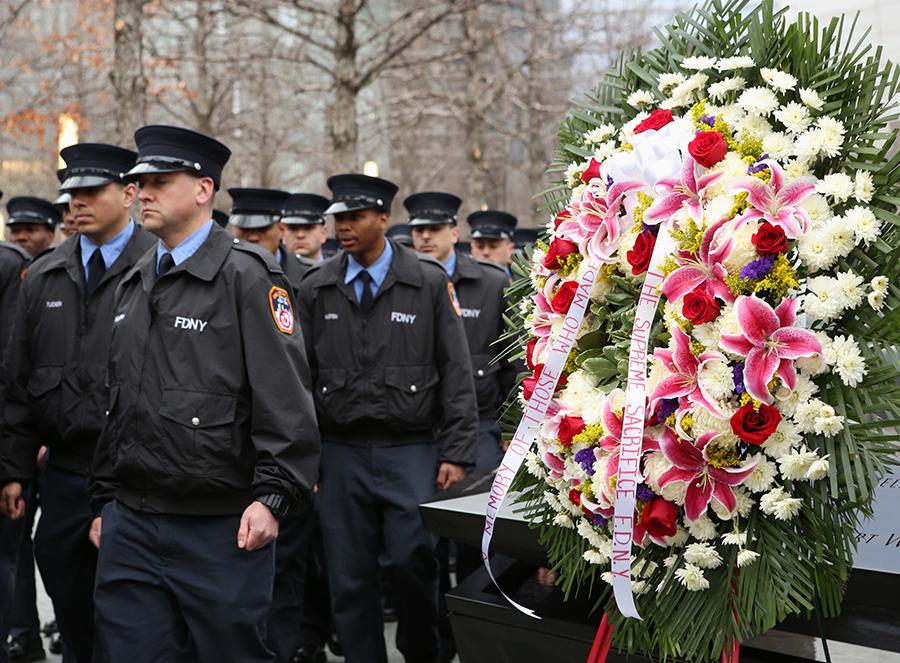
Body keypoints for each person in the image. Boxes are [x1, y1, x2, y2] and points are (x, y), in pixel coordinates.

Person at [88, 124, 320, 663]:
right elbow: (117, 401)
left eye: (159, 181)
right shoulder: (135, 280)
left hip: (220, 525)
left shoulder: (248, 275)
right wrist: (103, 501)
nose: (142, 192)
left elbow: (285, 400)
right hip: (133, 520)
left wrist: (273, 497)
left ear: (203, 189)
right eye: (138, 182)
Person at [297, 173, 477, 663]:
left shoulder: (426, 281)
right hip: (340, 452)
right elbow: (300, 381)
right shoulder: (317, 286)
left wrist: (457, 453)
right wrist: (307, 460)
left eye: (355, 217)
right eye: (339, 218)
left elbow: (456, 371)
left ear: (382, 218)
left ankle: (423, 654)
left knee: (413, 565)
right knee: (348, 574)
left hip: (410, 449)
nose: (344, 227)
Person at [0, 143, 155, 663]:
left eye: (92, 192)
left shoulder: (158, 267)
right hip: (65, 474)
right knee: (71, 610)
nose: (76, 204)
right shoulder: (45, 274)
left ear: (130, 194)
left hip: (140, 476)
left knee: (134, 618)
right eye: (71, 193)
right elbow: (18, 383)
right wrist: (14, 469)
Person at [280, 193, 329, 263]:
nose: (300, 235)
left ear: (324, 233)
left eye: (308, 228)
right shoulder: (271, 272)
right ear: (282, 233)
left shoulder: (340, 271)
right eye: (293, 228)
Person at [467, 210, 517, 277]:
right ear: (472, 247)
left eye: (494, 246)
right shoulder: (458, 283)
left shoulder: (526, 284)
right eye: (480, 246)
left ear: (510, 250)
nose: (486, 252)